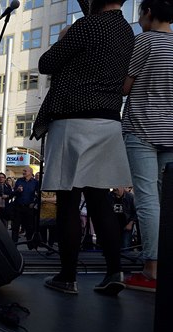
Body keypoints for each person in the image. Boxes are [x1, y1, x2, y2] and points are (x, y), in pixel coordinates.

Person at [32, 0, 134, 295]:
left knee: (66, 201)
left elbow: (46, 64)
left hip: (72, 122)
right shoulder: (127, 32)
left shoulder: (86, 26)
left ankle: (67, 276)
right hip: (107, 122)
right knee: (100, 200)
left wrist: (63, 37)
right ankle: (115, 271)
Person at [121, 0, 173, 292]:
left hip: (142, 128)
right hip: (171, 132)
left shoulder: (145, 41)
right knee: (167, 202)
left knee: (147, 199)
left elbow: (125, 87)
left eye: (140, 13)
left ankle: (150, 268)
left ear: (148, 13)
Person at [10, 167, 38, 245]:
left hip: (29, 207)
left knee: (29, 226)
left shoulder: (35, 182)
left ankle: (30, 243)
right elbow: (13, 193)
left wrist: (34, 203)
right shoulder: (19, 181)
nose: (23, 172)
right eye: (23, 171)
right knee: (15, 226)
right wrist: (17, 191)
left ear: (30, 172)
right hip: (18, 207)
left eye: (25, 171)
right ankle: (14, 244)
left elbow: (39, 195)